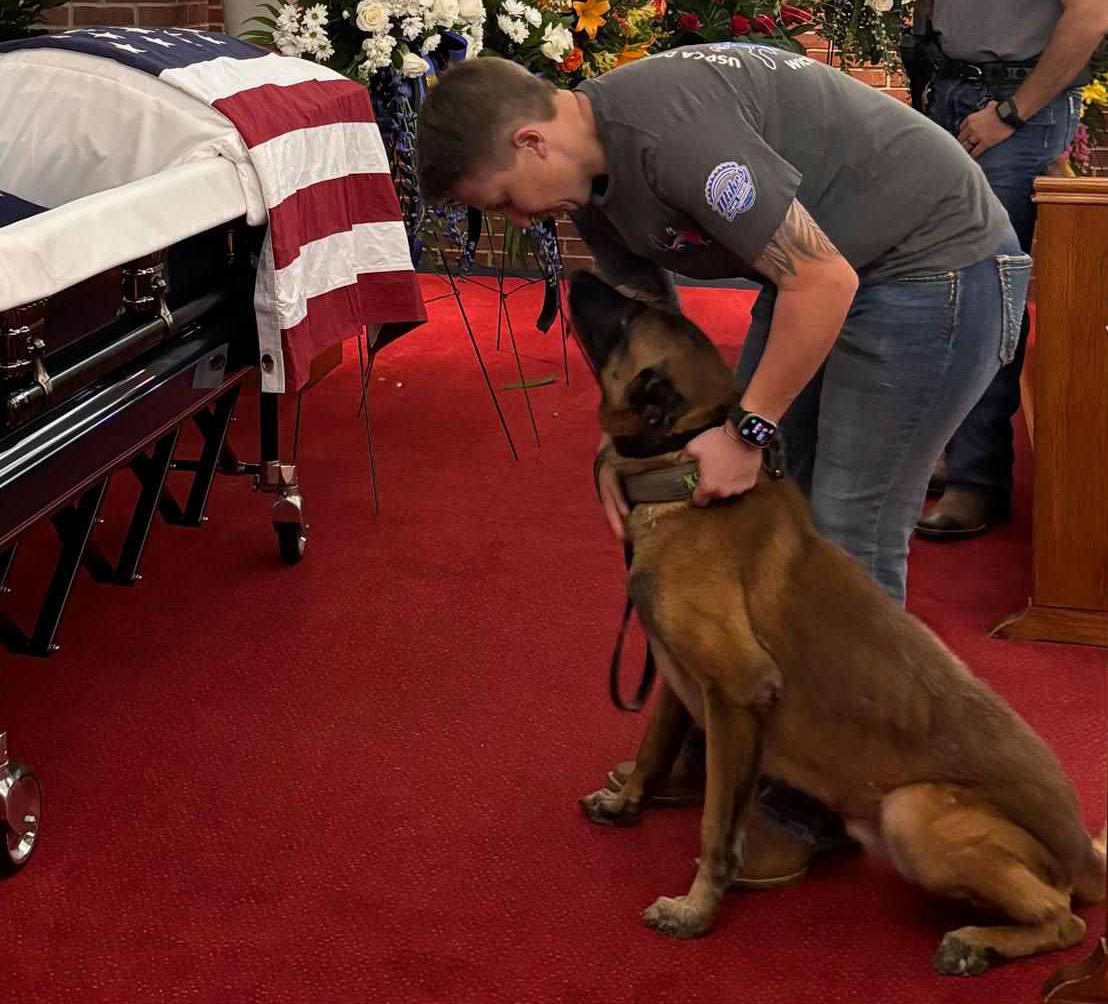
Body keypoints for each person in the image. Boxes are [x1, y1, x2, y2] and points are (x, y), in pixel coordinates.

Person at [416, 46, 1031, 883]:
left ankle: (814, 804)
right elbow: (657, 341)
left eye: (501, 203)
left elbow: (819, 278)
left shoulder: (671, 139)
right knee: (754, 517)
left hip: (934, 268)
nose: (521, 223)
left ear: (530, 143)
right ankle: (736, 743)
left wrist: (747, 431)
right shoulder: (589, 184)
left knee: (848, 534)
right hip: (834, 270)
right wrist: (621, 446)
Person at [905, 0, 1108, 541]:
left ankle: (979, 479)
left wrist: (1014, 114)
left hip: (1016, 115)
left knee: (989, 294)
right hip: (948, 101)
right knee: (931, 286)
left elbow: (1087, 18)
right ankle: (941, 447)